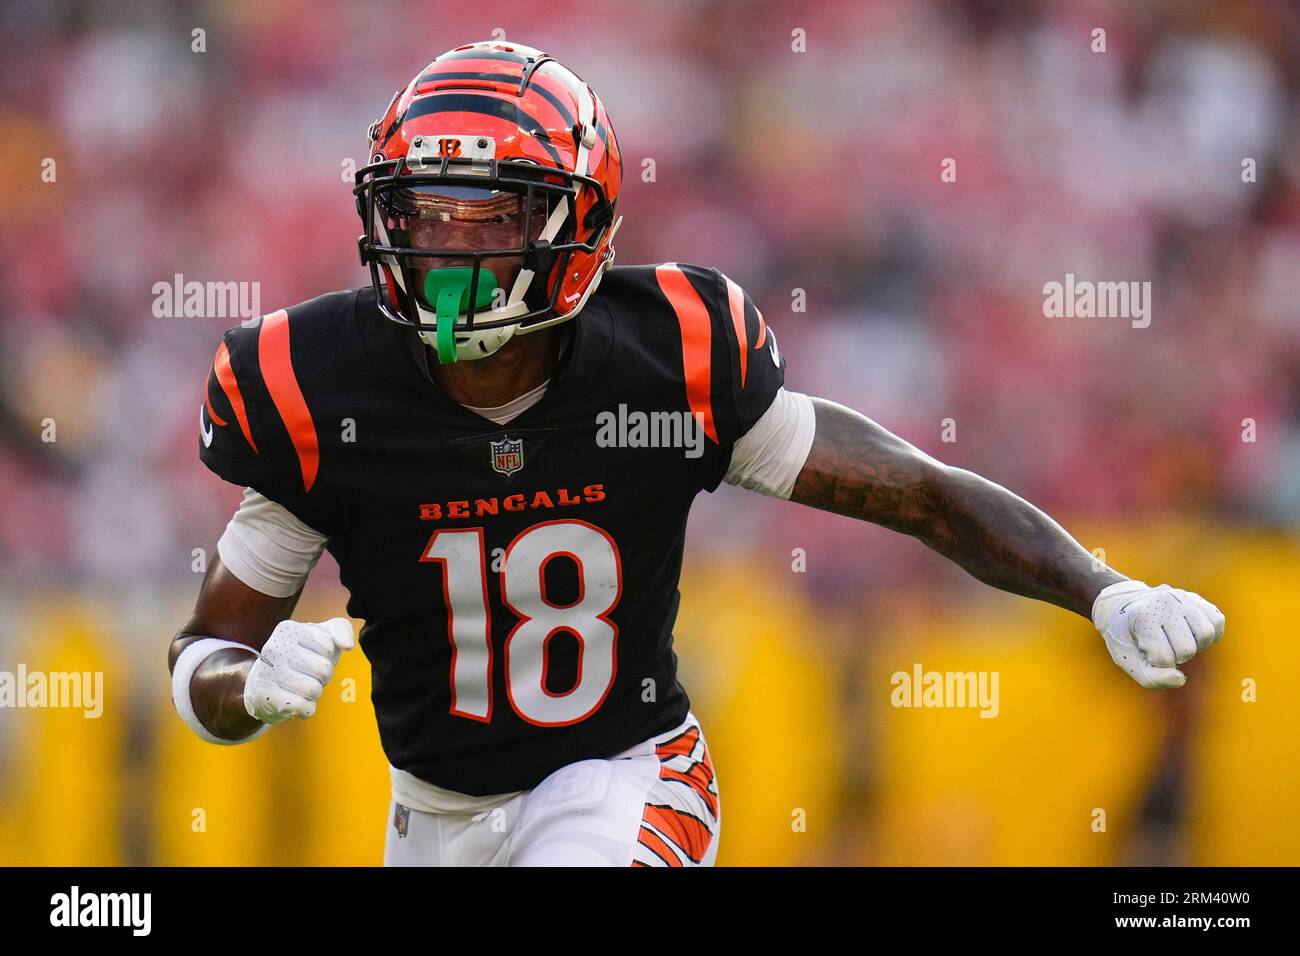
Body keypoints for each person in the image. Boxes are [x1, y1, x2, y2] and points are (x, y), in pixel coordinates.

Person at [168, 40, 1225, 867]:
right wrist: (246, 683)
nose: (447, 251)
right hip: (430, 816)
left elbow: (922, 495)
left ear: (575, 221)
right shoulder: (317, 385)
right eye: (424, 215)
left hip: (621, 777)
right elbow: (200, 654)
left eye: (488, 220)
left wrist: (1102, 589)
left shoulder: (670, 354)